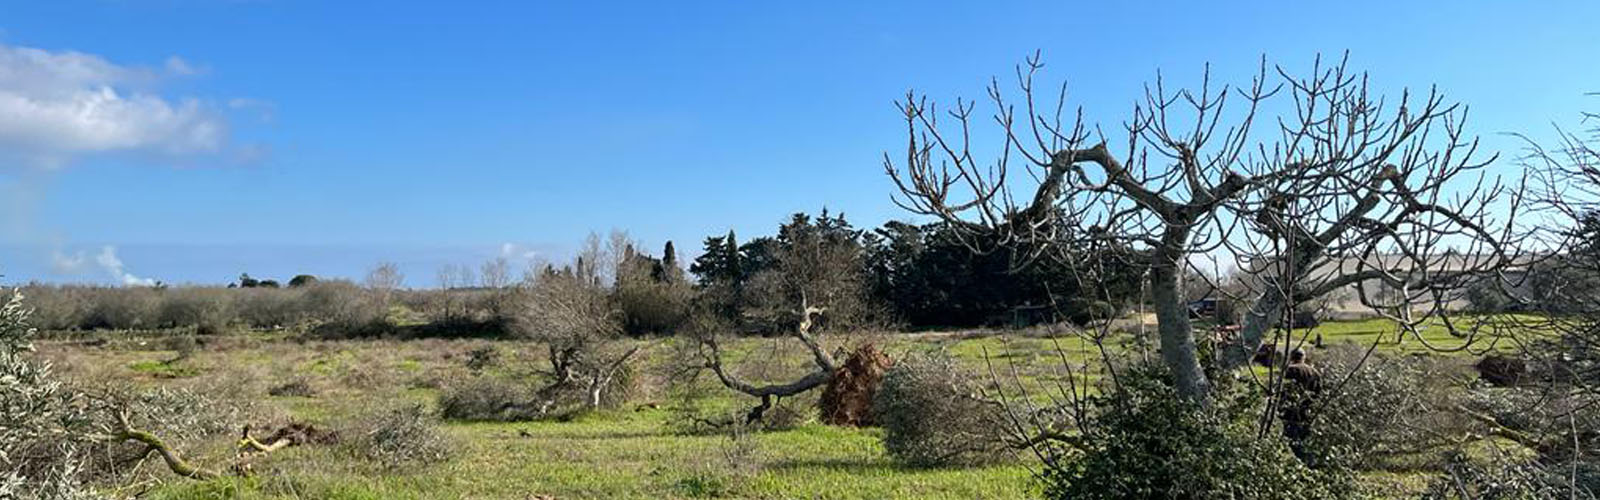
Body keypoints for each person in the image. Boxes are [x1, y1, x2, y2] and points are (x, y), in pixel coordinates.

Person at [1280, 348, 1322, 462]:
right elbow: (1319, 393)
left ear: (1291, 358)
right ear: (1303, 357)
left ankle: (1295, 463)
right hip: (1307, 411)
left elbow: (1282, 391)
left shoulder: (1289, 370)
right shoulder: (1315, 372)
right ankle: (1307, 463)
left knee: (1291, 440)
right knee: (1305, 439)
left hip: (1290, 411)